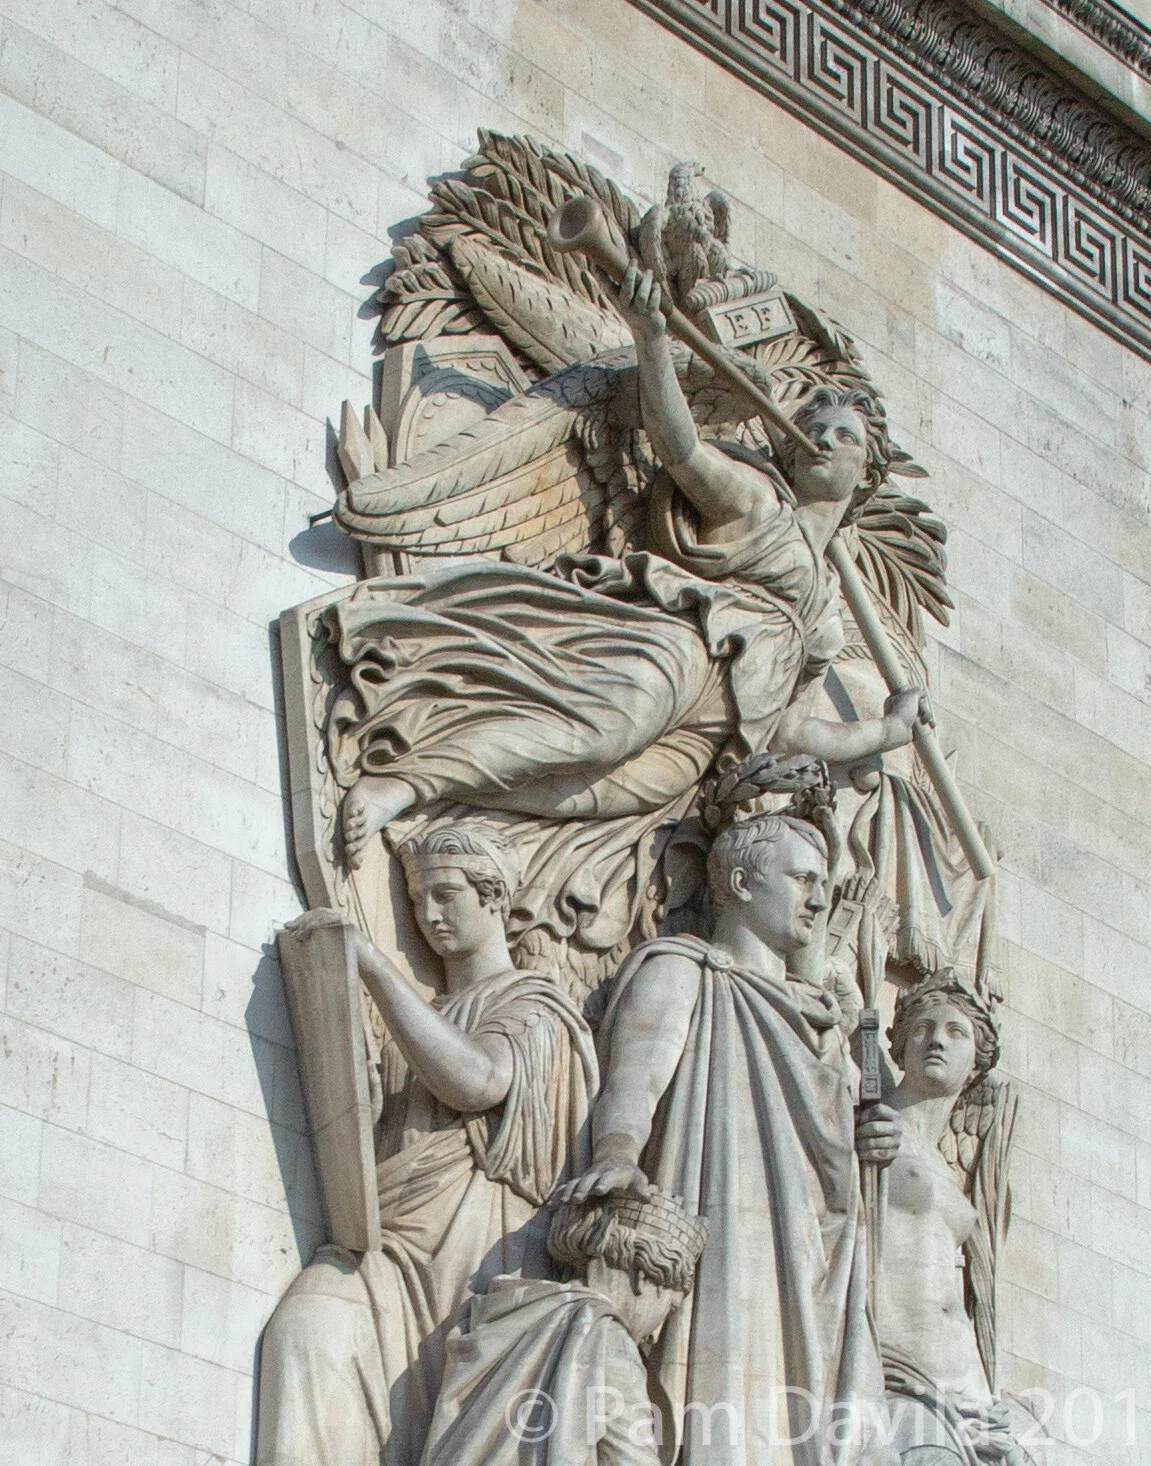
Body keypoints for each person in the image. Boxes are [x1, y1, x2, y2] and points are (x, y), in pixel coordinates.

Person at [329, 262, 931, 871]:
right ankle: (402, 783)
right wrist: (650, 340)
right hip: (681, 654)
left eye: (844, 437)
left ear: (867, 476)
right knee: (596, 735)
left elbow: (790, 734)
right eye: (815, 429)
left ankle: (434, 787)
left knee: (584, 795)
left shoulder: (823, 611)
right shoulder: (758, 501)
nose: (824, 441)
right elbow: (681, 448)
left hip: (708, 735)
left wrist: (887, 732)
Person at [557, 809, 902, 1466]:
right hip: (724, 1220)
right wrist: (616, 1154)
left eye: (823, 883)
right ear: (742, 882)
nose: (819, 898)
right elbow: (636, 1077)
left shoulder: (823, 1023)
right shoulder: (685, 970)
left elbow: (836, 1141)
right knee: (729, 1406)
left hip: (815, 1257)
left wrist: (872, 1140)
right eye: (801, 879)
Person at [257, 823, 598, 1466]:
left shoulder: (537, 1006)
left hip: (478, 1259)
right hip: (388, 1243)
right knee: (306, 1328)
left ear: (494, 897)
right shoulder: (426, 1015)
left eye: (446, 895)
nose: (428, 915)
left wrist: (373, 966)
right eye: (416, 901)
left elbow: (480, 1079)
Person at [422, 1189, 709, 1466]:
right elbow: (631, 1458)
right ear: (644, 1281)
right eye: (669, 1308)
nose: (655, 1333)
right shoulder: (603, 1336)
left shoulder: (509, 1311)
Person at [877, 975, 1021, 1466]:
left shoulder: (945, 1166)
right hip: (895, 1372)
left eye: (956, 1032)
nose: (936, 1039)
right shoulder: (869, 1125)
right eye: (921, 1028)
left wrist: (983, 1398)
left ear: (976, 1065)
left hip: (963, 1388)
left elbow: (952, 1301)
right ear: (899, 1047)